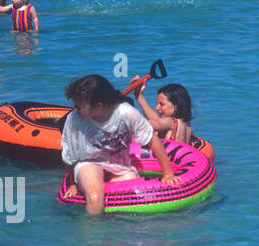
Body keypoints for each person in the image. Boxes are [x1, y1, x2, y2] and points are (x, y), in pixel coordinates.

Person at [60, 74, 176, 214]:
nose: (75, 110)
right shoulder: (75, 120)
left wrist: (168, 173)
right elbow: (69, 156)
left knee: (133, 201)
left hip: (120, 165)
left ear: (98, 106)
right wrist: (73, 184)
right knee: (95, 198)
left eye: (79, 107)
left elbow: (153, 140)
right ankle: (93, 234)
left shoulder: (126, 112)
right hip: (89, 163)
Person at [129, 78, 194, 145]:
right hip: (180, 154)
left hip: (168, 155)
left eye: (161, 104)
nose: (156, 108)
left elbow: (141, 124)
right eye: (157, 104)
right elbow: (158, 120)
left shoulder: (170, 122)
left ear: (175, 106)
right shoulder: (186, 124)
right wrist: (138, 95)